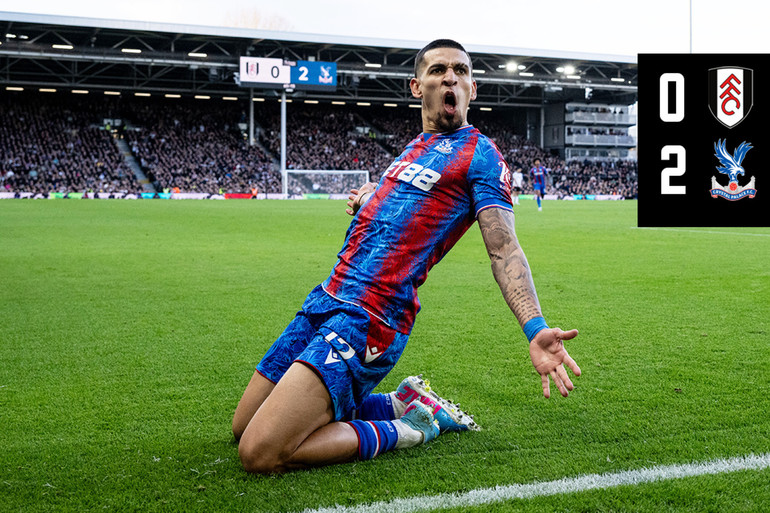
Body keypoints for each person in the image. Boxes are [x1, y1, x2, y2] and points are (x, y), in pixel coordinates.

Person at [232, 39, 580, 475]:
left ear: (473, 88)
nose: (450, 77)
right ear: (417, 86)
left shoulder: (480, 155)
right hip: (327, 298)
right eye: (438, 70)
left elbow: (504, 247)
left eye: (460, 71)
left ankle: (414, 426)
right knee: (242, 426)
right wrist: (371, 198)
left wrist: (535, 326)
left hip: (371, 318)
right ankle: (400, 399)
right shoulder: (412, 148)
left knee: (260, 452)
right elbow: (404, 208)